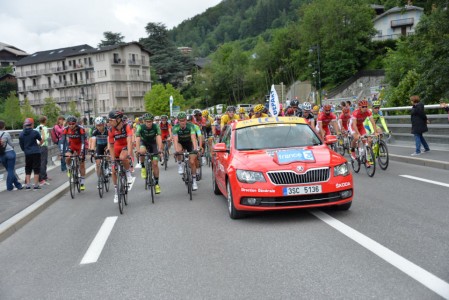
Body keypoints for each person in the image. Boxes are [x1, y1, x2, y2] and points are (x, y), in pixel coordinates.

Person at [108, 110, 134, 201]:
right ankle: (116, 191)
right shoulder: (111, 129)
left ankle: (128, 173)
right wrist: (112, 160)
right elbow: (111, 146)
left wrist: (129, 154)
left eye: (111, 120)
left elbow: (129, 141)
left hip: (125, 146)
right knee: (113, 170)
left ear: (118, 119)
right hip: (116, 147)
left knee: (123, 157)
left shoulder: (126, 126)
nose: (109, 122)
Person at [135, 113, 162, 194]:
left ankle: (157, 184)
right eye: (147, 121)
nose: (149, 123)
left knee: (155, 164)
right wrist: (137, 150)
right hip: (144, 142)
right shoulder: (140, 127)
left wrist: (160, 149)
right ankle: (143, 166)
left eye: (150, 121)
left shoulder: (156, 126)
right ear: (144, 122)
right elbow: (137, 138)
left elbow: (159, 137)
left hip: (153, 144)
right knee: (142, 151)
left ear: (152, 121)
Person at [172, 112, 200, 191]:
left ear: (186, 120)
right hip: (180, 142)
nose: (183, 122)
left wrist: (195, 148)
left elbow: (193, 138)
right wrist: (176, 150)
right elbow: (175, 140)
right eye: (181, 121)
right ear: (178, 121)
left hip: (189, 143)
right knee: (179, 150)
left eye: (184, 120)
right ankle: (180, 164)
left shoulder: (190, 126)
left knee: (192, 162)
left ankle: (194, 181)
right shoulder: (175, 128)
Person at [60, 116, 87, 190]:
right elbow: (62, 141)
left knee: (82, 165)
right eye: (69, 124)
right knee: (67, 156)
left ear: (76, 123)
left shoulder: (80, 129)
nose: (71, 125)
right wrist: (62, 152)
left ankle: (82, 183)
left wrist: (81, 152)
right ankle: (69, 168)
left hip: (80, 146)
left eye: (73, 124)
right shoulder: (66, 129)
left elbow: (83, 141)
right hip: (71, 146)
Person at [349, 100, 379, 165]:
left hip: (361, 126)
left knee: (367, 140)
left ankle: (366, 158)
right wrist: (358, 134)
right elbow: (354, 125)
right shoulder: (355, 113)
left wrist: (375, 132)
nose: (365, 108)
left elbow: (373, 122)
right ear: (360, 107)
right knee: (357, 138)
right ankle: (352, 150)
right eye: (363, 107)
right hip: (353, 126)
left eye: (366, 106)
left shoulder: (368, 112)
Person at [19, 118, 43, 190]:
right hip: (36, 152)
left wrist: (25, 150)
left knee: (28, 168)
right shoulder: (35, 132)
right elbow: (41, 141)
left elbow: (21, 145)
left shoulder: (21, 134)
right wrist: (38, 146)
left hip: (27, 153)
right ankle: (36, 185)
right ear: (32, 124)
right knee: (36, 168)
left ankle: (28, 185)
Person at [0, 120, 23, 191]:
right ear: (3, 126)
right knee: (10, 170)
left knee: (9, 170)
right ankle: (9, 187)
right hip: (10, 153)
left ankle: (17, 185)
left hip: (1, 155)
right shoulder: (6, 134)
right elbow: (11, 144)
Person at [89, 117, 109, 189]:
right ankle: (100, 179)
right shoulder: (95, 131)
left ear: (104, 124)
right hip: (99, 147)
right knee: (97, 163)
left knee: (107, 155)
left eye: (100, 125)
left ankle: (107, 166)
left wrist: (108, 148)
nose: (99, 127)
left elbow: (109, 141)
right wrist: (92, 150)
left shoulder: (108, 131)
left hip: (106, 146)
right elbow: (93, 141)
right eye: (97, 125)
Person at [36, 116, 50, 185]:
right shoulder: (44, 128)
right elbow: (46, 137)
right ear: (45, 121)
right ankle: (43, 177)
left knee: (40, 161)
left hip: (38, 146)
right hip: (43, 145)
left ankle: (42, 176)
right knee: (44, 162)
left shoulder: (36, 128)